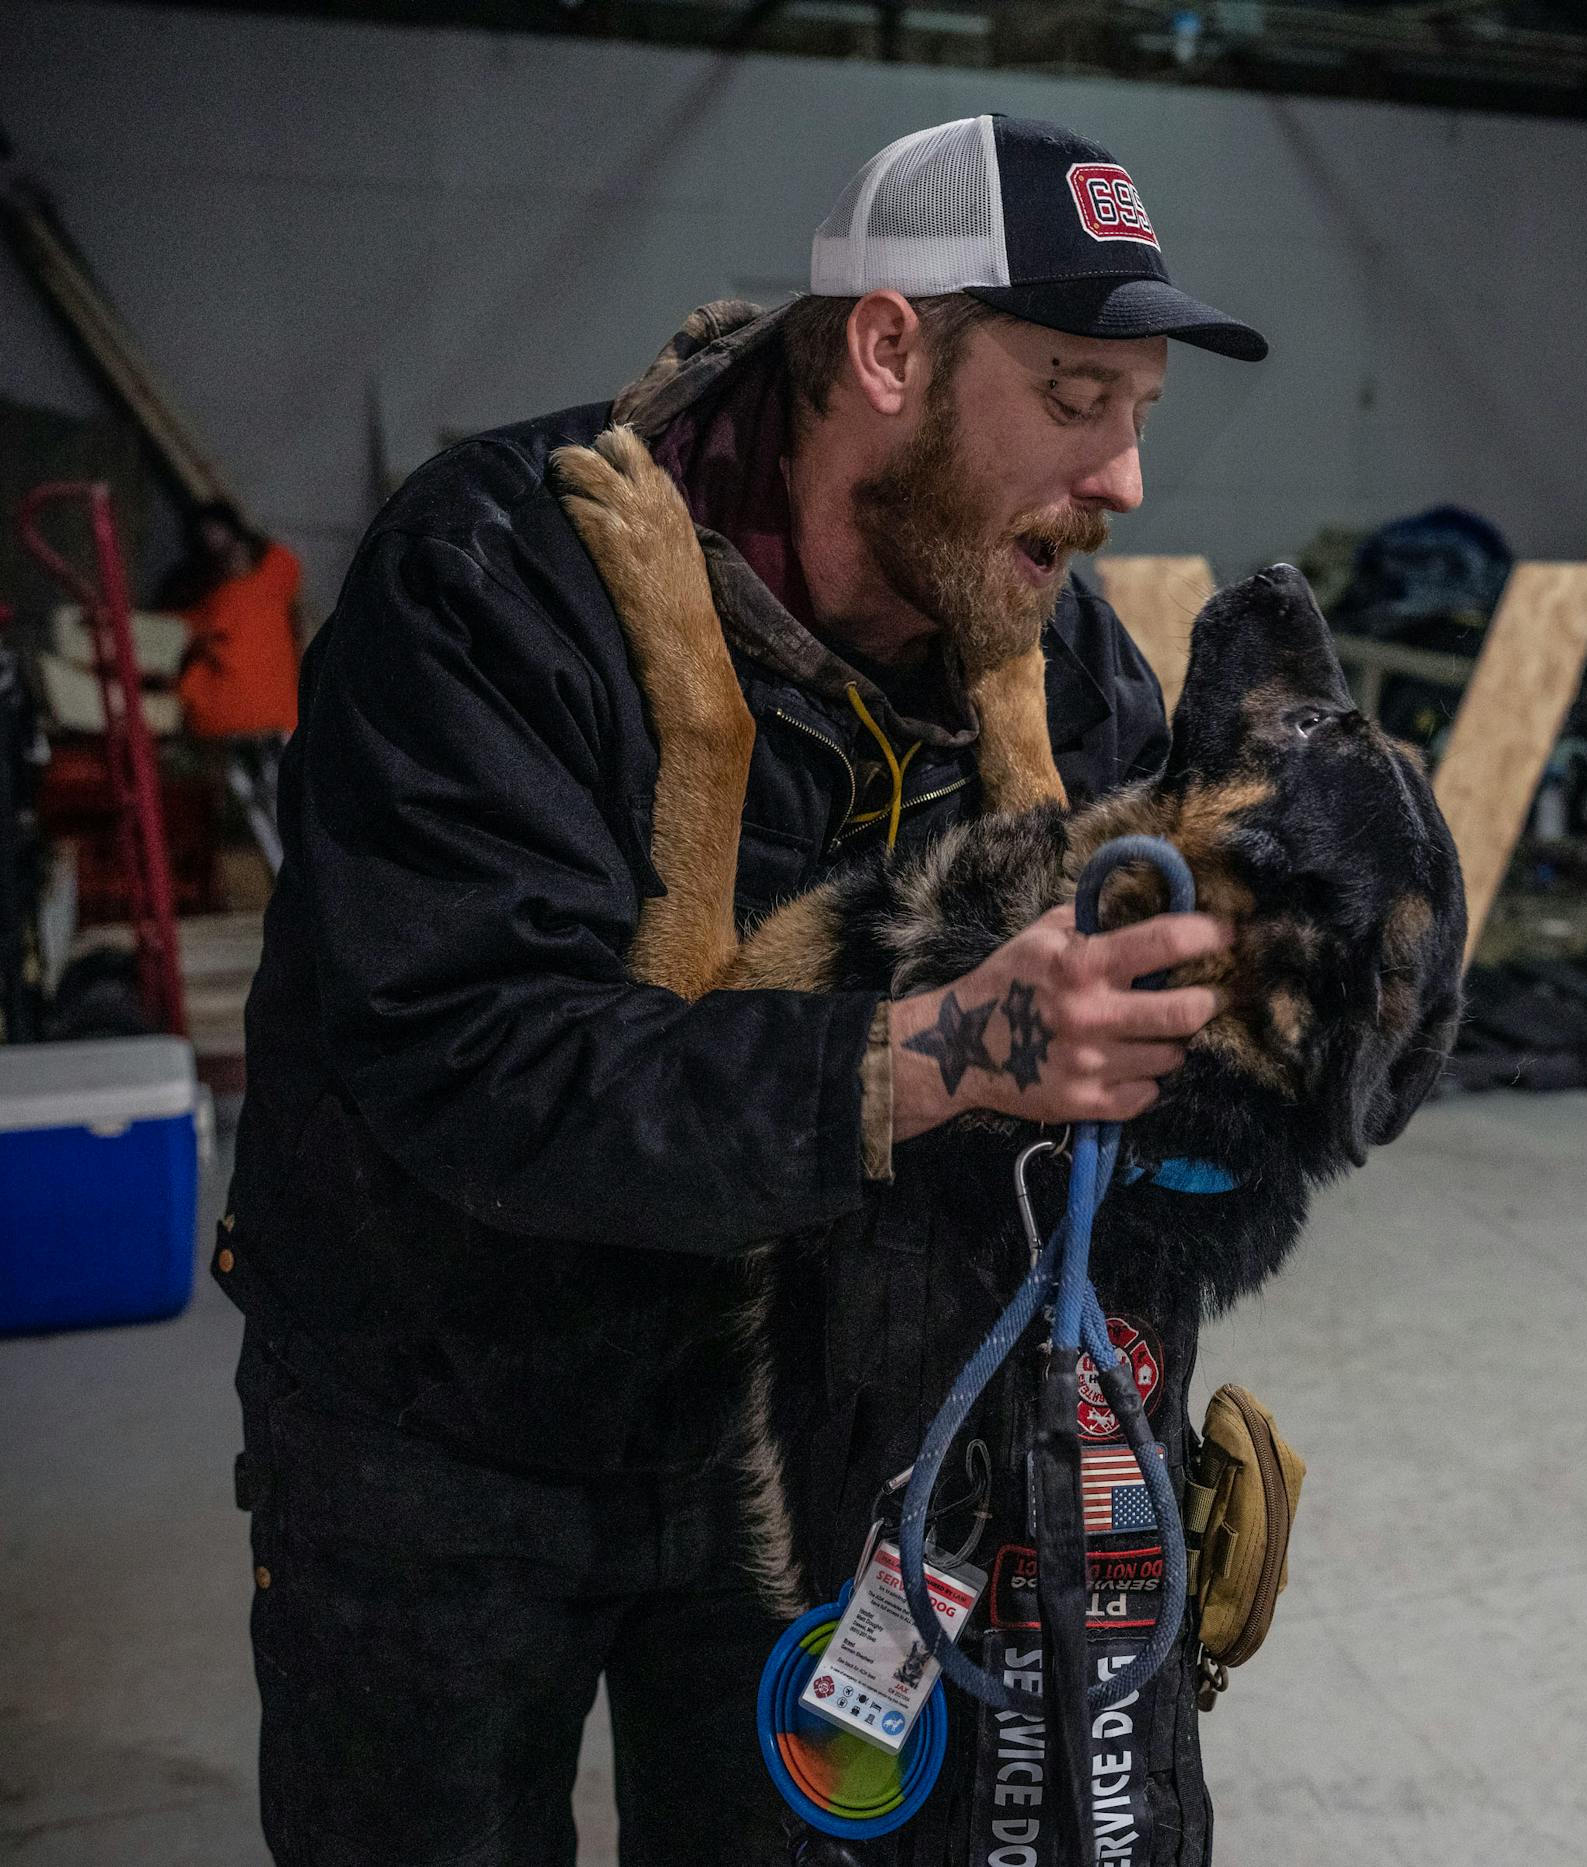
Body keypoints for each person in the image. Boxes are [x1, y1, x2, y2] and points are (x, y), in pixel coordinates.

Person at [220, 117, 1265, 1865]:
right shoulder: (501, 579)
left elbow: (1132, 1099)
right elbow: (487, 1060)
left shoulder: (1061, 659)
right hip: (449, 1428)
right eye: (1079, 399)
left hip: (807, 1455)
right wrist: (941, 1048)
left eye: (1141, 413)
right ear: (884, 347)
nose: (1124, 482)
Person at [163, 500, 300, 866]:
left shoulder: (267, 581)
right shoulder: (212, 598)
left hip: (261, 715)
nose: (213, 540)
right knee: (265, 803)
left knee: (278, 801)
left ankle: (291, 872)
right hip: (244, 716)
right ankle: (287, 873)